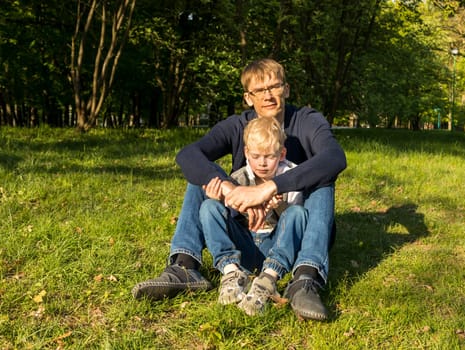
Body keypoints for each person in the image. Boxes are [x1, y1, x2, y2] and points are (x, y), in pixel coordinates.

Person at [132, 58, 347, 321]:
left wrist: (270, 188)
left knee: (323, 178)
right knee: (204, 176)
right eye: (259, 90)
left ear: (286, 89)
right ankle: (185, 267)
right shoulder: (237, 125)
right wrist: (229, 189)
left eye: (274, 87)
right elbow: (188, 154)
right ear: (248, 97)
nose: (268, 95)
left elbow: (335, 157)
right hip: (245, 231)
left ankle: (305, 278)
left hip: (293, 231)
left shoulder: (306, 121)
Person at [201, 116, 306, 316]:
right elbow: (231, 217)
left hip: (275, 245)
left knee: (297, 212)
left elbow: (297, 222)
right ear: (247, 153)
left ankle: (268, 280)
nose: (263, 163)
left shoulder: (291, 177)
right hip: (245, 244)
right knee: (209, 207)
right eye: (256, 156)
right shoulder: (238, 178)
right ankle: (231, 272)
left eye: (269, 156)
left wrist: (280, 206)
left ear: (282, 154)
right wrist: (219, 200)